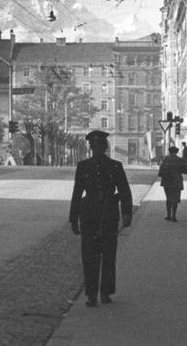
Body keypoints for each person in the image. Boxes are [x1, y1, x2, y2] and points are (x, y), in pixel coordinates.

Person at [69, 130, 133, 307]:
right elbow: (77, 193)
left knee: (109, 255)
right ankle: (91, 294)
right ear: (91, 148)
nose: (96, 150)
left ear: (104, 148)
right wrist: (73, 218)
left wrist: (127, 213)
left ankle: (105, 292)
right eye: (94, 147)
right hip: (89, 214)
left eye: (99, 147)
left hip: (109, 214)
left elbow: (124, 191)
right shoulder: (83, 167)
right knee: (89, 256)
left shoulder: (115, 166)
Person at [158, 145, 187, 222]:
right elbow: (185, 171)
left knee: (168, 198)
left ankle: (168, 215)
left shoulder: (165, 159)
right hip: (177, 181)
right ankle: (173, 216)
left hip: (167, 181)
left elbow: (161, 171)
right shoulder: (180, 160)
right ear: (176, 152)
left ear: (170, 152)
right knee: (175, 199)